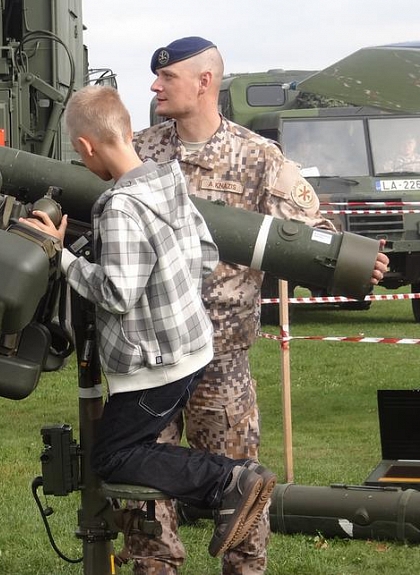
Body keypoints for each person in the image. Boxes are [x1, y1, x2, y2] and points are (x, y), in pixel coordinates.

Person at [129, 37, 391, 575]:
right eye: (155, 77)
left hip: (219, 360)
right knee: (142, 490)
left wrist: (350, 260)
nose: (155, 85)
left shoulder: (256, 157)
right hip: (149, 355)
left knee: (240, 490)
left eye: (167, 77)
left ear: (204, 83)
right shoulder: (140, 151)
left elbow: (308, 229)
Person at [21, 84, 278, 563]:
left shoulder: (120, 207)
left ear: (85, 147)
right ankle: (230, 480)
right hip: (193, 349)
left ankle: (231, 480)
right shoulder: (167, 179)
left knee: (113, 457)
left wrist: (62, 259)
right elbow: (204, 255)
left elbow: (117, 292)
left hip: (153, 368)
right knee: (129, 449)